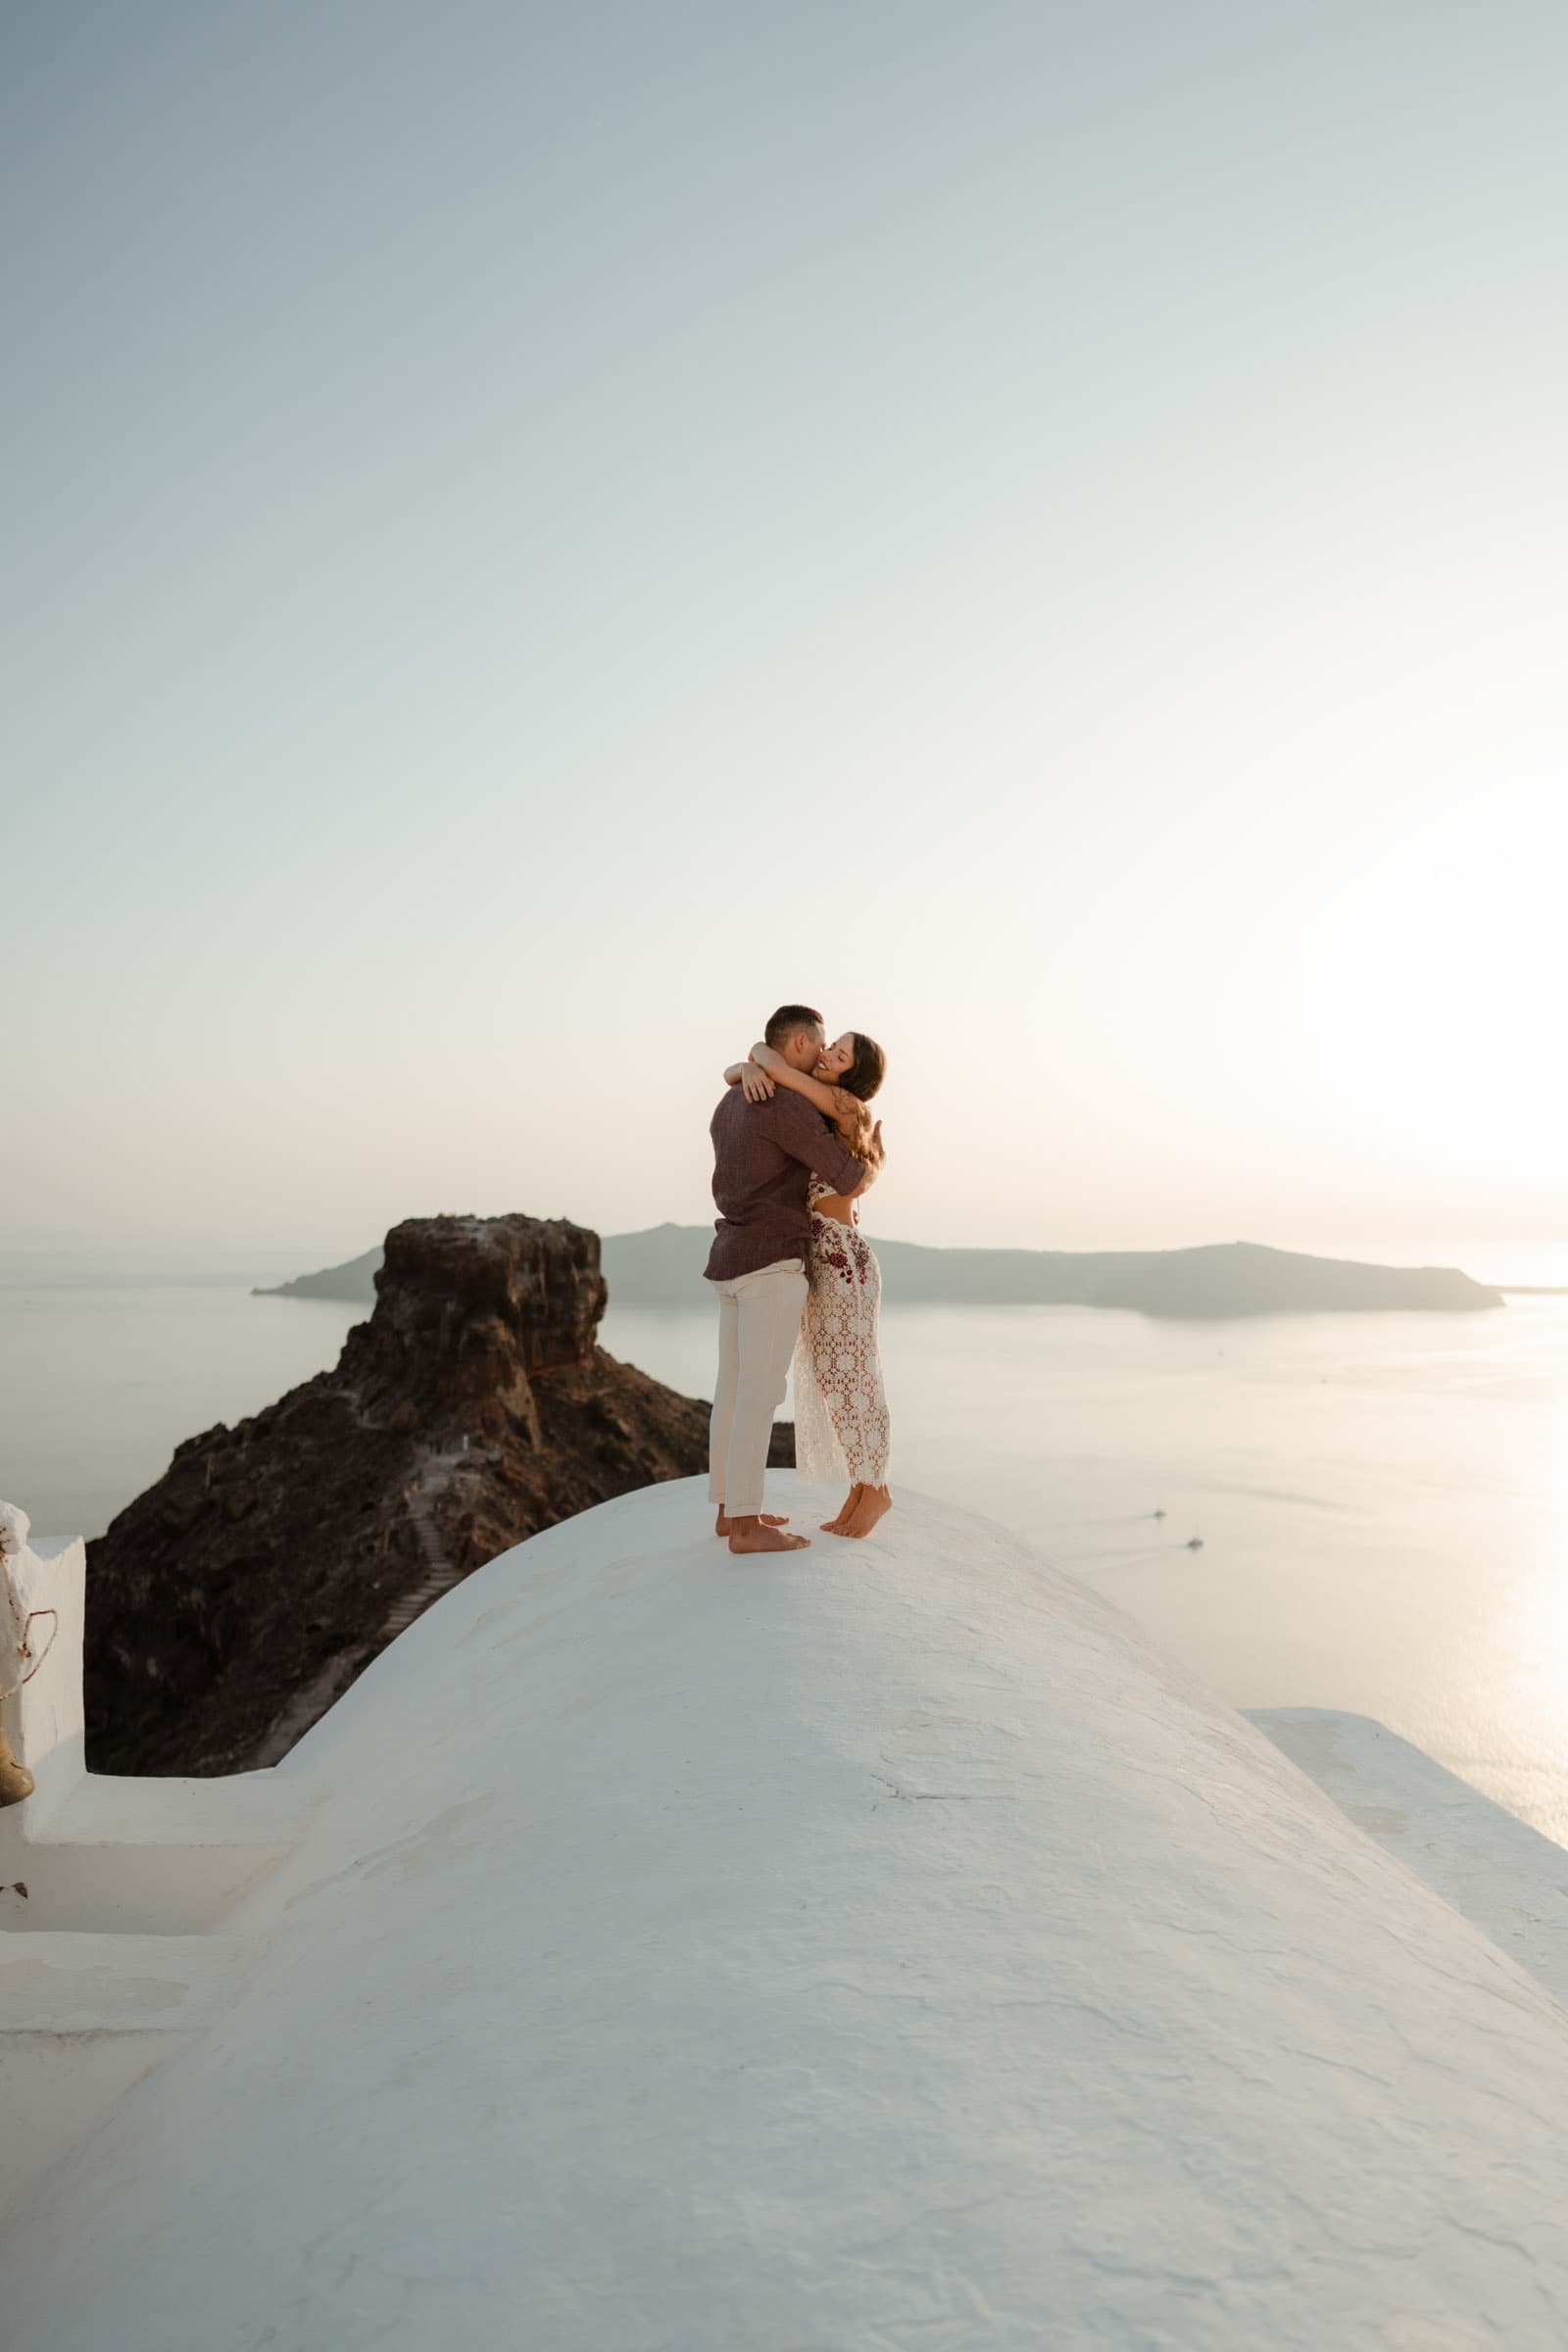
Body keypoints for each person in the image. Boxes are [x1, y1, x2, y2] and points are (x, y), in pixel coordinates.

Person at [705, 1005, 881, 1555]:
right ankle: (748, 1524)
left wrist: (749, 1063)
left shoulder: (729, 1101)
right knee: (760, 1395)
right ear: (801, 1044)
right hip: (771, 1262)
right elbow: (848, 1176)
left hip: (730, 1255)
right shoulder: (783, 1104)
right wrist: (873, 1160)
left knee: (731, 1393)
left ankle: (727, 1511)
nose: (825, 1056)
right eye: (824, 1045)